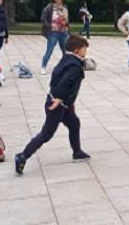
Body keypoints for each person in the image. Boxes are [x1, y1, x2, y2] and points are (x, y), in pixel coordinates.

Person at [15, 35, 91, 174]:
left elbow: (57, 76)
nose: (86, 52)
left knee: (74, 123)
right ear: (76, 50)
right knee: (46, 134)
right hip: (57, 105)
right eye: (84, 49)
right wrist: (59, 98)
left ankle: (77, 152)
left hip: (63, 104)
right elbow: (65, 82)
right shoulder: (74, 66)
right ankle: (22, 156)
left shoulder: (67, 59)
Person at [40, 0, 70, 76]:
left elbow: (67, 20)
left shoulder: (64, 8)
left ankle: (65, 66)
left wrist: (67, 28)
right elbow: (43, 17)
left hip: (63, 32)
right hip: (53, 32)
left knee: (65, 50)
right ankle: (43, 66)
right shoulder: (50, 7)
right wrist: (49, 26)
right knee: (49, 50)